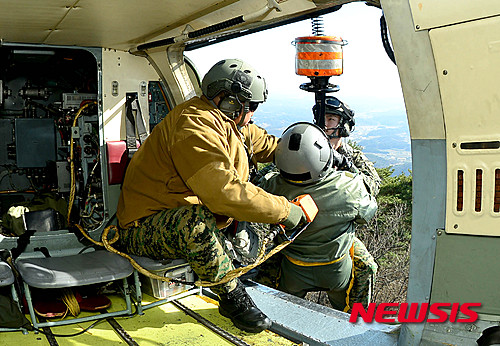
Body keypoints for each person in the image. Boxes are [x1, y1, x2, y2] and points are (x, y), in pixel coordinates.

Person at [116, 59, 308, 333]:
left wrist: (310, 158)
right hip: (143, 226)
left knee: (250, 211)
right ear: (230, 102)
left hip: (184, 216)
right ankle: (232, 298)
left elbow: (268, 146)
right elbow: (224, 192)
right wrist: (286, 211)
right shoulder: (193, 126)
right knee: (193, 221)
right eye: (250, 106)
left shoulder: (229, 123)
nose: (252, 113)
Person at [251, 122, 378, 311]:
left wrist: (278, 160)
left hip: (291, 270)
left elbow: (254, 183)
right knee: (367, 267)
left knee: (283, 311)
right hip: (337, 272)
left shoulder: (271, 188)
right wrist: (347, 162)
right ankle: (355, 319)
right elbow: (370, 200)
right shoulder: (349, 187)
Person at [319, 96, 381, 196]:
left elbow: (374, 187)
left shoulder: (353, 156)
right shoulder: (305, 151)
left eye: (330, 119)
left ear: (344, 126)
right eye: (321, 119)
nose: (324, 124)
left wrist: (346, 165)